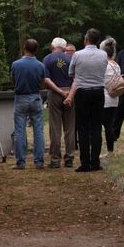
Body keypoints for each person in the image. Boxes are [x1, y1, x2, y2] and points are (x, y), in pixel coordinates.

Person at [64, 28, 109, 172]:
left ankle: (85, 162)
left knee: (83, 127)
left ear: (86, 39)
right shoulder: (103, 55)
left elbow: (71, 72)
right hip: (98, 91)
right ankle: (95, 162)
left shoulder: (77, 55)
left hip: (82, 92)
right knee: (96, 126)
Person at [11, 38, 48, 170]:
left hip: (20, 97)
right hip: (35, 97)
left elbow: (13, 80)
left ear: (24, 48)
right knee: (38, 130)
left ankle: (20, 162)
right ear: (36, 50)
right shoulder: (40, 65)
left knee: (20, 130)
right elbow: (43, 83)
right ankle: (39, 162)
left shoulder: (16, 64)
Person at [42, 37, 76, 168]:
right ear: (64, 46)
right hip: (70, 93)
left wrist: (59, 92)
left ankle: (55, 160)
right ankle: (69, 158)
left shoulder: (47, 59)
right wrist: (69, 95)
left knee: (55, 128)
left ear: (52, 46)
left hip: (55, 94)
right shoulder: (71, 58)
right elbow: (75, 79)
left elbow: (46, 79)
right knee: (70, 128)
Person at [100, 37, 120, 156]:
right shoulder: (116, 65)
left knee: (104, 126)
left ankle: (109, 151)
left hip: (104, 98)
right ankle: (110, 150)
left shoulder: (104, 65)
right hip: (114, 98)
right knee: (110, 125)